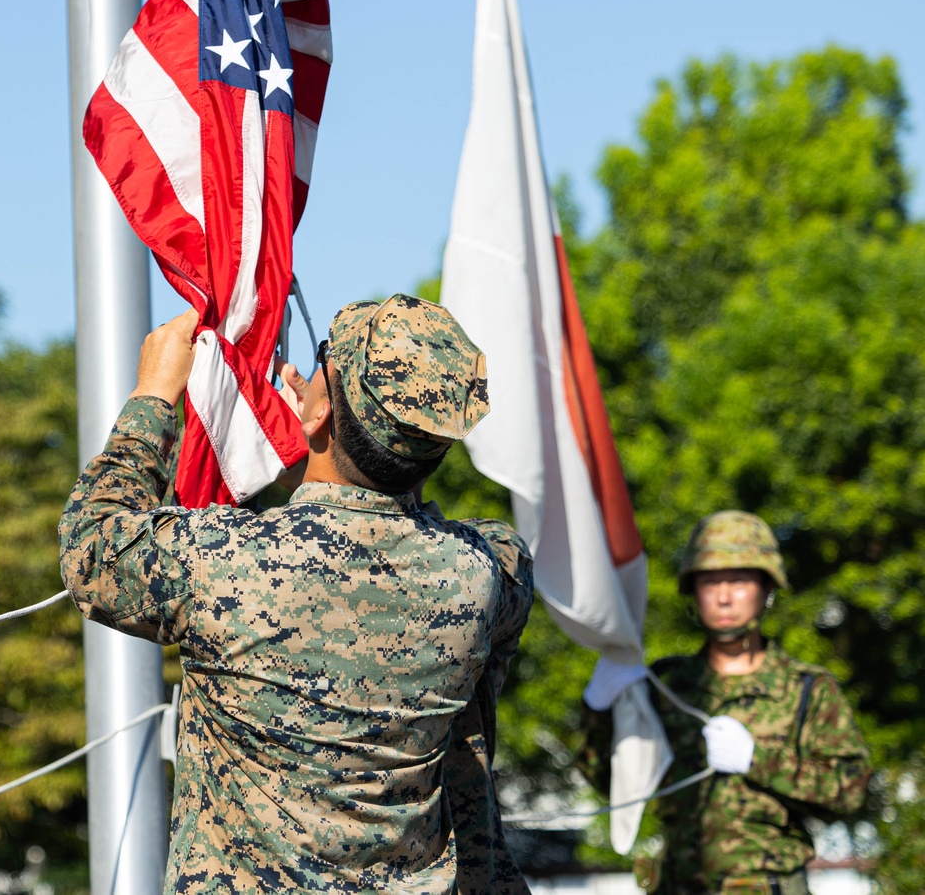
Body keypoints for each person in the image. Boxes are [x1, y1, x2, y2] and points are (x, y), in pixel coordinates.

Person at [59, 294, 533, 894]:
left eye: (319, 365)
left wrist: (152, 396)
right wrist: (320, 470)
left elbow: (93, 546)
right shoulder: (491, 572)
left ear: (317, 414)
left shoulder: (224, 563)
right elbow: (397, 538)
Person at [577, 511, 871, 895]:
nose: (724, 595)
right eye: (710, 581)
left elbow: (849, 791)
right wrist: (598, 706)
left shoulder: (807, 689)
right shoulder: (665, 684)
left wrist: (756, 760)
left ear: (767, 589)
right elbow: (609, 780)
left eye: (739, 580)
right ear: (693, 591)